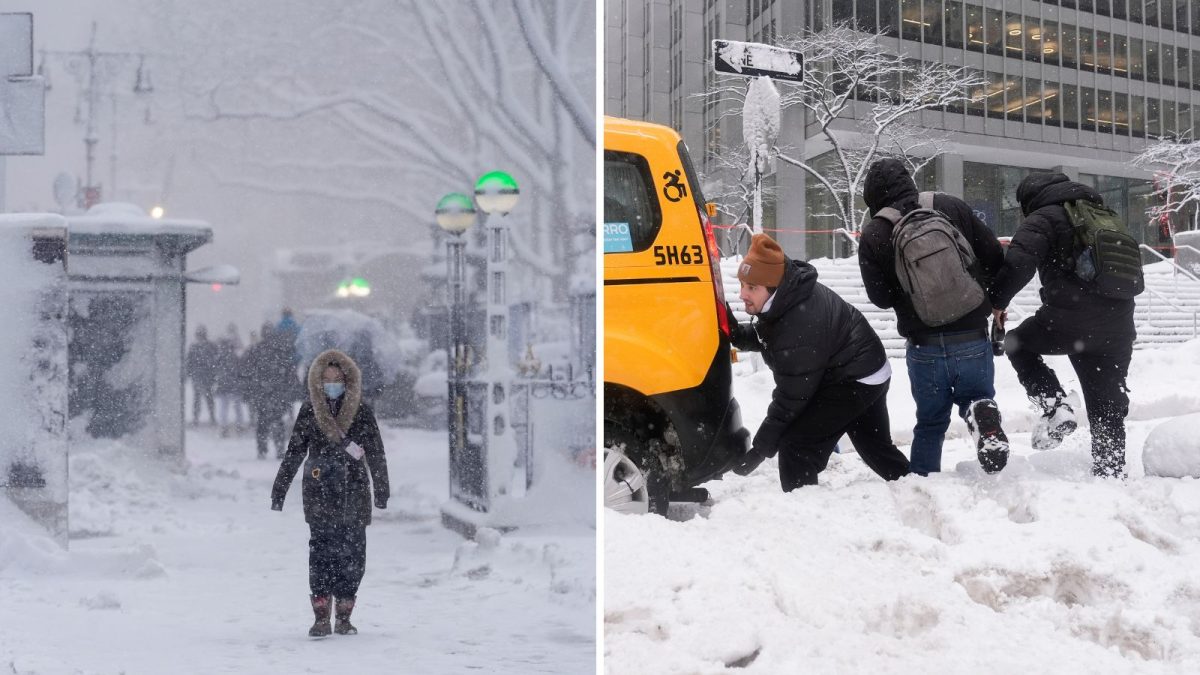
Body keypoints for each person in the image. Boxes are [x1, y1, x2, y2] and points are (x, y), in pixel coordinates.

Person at [858, 158, 1010, 475]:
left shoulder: (874, 232)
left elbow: (880, 298)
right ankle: (982, 413)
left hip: (924, 344)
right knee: (978, 397)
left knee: (930, 423)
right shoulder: (949, 206)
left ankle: (925, 488)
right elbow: (995, 256)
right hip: (971, 335)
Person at [726, 233, 911, 490]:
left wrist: (760, 449)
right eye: (743, 285)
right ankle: (912, 487)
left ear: (772, 288)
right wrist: (737, 334)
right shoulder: (787, 296)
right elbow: (771, 337)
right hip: (867, 368)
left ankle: (805, 513)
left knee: (796, 447)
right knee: (875, 446)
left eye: (752, 288)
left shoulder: (798, 321)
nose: (742, 294)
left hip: (853, 377)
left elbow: (791, 399)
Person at [988, 172, 1136, 479]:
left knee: (1017, 342)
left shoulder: (1044, 217)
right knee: (1106, 404)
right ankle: (1111, 474)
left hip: (1070, 321)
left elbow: (1019, 262)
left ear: (1029, 199)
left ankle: (1055, 405)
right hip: (1118, 327)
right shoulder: (1104, 215)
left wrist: (997, 302)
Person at [271, 349, 390, 637]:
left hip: (354, 490)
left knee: (353, 555)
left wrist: (382, 489)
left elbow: (375, 451)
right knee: (321, 553)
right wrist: (280, 489)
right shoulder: (309, 411)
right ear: (317, 382)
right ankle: (321, 615)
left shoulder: (362, 410)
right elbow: (295, 451)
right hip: (319, 490)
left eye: (337, 379)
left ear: (347, 380)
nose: (331, 384)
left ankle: (345, 616)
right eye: (326, 379)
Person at [243, 323, 295, 459]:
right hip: (277, 392)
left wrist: (250, 389)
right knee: (277, 421)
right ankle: (279, 449)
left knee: (262, 422)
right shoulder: (280, 349)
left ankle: (262, 450)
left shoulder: (256, 350)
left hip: (262, 392)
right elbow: (289, 371)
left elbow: (247, 371)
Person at [214, 323, 246, 436]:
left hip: (223, 384)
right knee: (237, 406)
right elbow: (240, 369)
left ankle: (223, 427)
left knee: (224, 407)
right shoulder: (235, 356)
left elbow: (216, 369)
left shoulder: (220, 356)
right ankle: (240, 425)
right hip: (234, 384)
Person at [185, 325, 218, 426]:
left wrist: (188, 374)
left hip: (199, 376)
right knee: (208, 398)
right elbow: (215, 361)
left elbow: (189, 362)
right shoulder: (211, 345)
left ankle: (197, 418)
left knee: (198, 398)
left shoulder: (194, 347)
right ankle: (211, 418)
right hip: (206, 376)